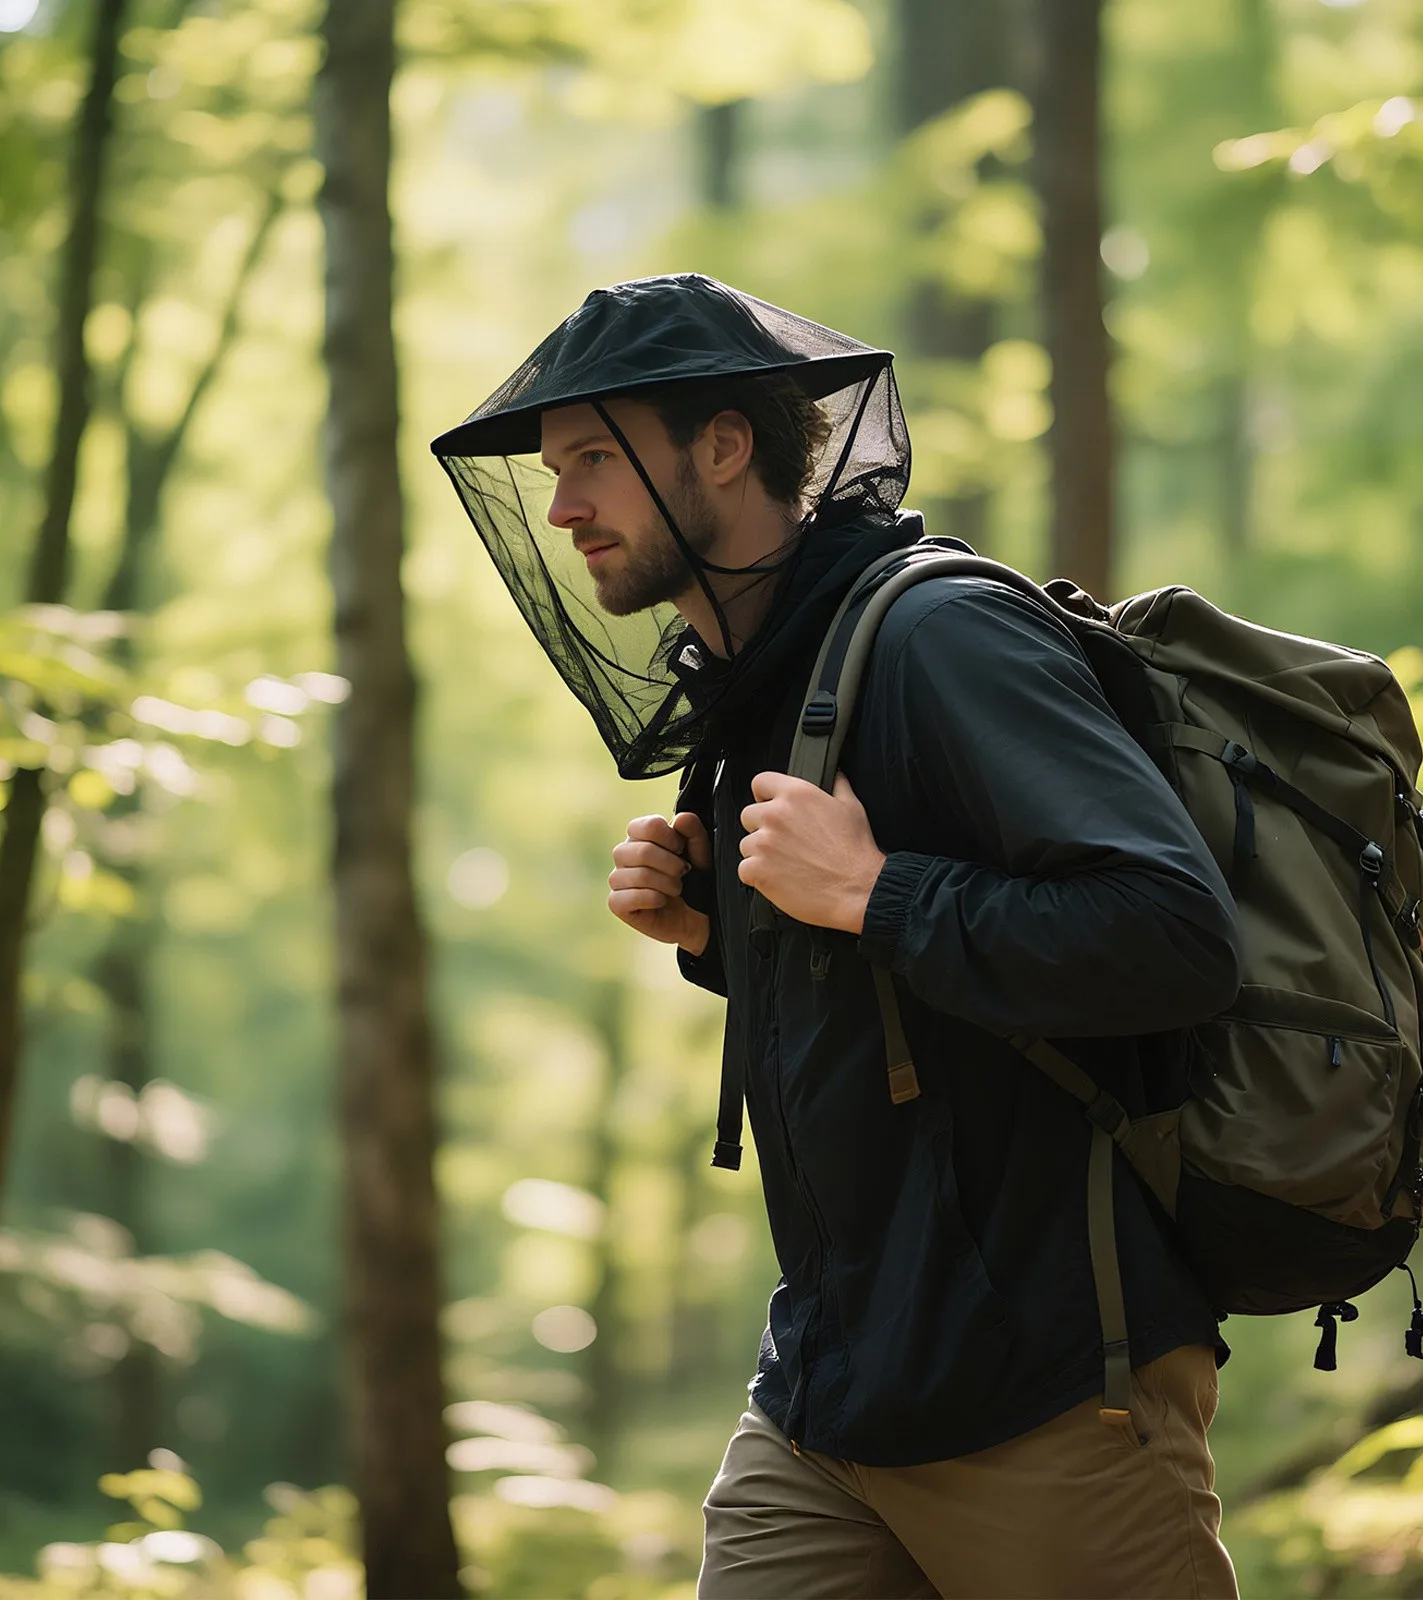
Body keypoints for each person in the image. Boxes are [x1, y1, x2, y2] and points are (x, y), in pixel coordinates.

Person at [432, 274, 1245, 1599]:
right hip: (827, 1400)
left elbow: (1171, 935)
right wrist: (720, 932)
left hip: (1048, 1391)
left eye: (592, 460)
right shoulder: (772, 681)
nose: (564, 505)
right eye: (553, 470)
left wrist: (877, 895)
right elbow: (885, 1004)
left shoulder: (939, 636)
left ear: (725, 446)